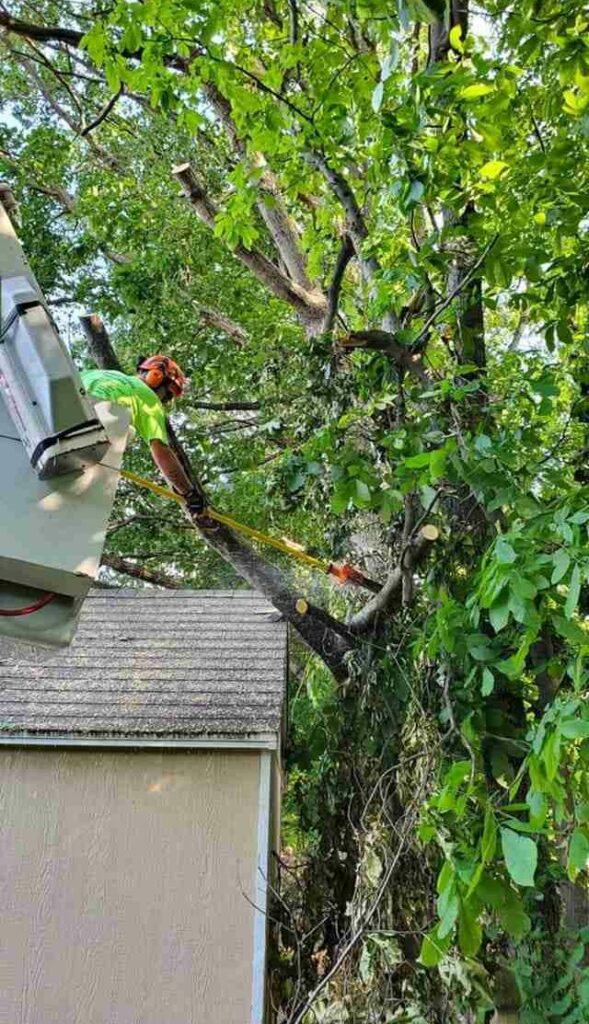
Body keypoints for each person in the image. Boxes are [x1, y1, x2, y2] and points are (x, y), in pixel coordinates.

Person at [81, 355, 205, 512]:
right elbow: (162, 453)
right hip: (89, 435)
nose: (164, 401)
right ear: (156, 377)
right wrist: (189, 493)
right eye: (168, 394)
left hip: (54, 420)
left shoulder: (102, 373)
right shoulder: (149, 399)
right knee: (129, 432)